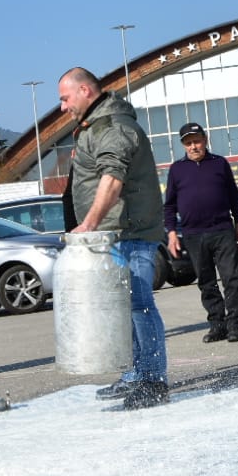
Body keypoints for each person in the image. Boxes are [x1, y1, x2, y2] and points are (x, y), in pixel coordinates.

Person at [61, 68, 171, 410]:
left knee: (138, 302)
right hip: (115, 233)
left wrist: (90, 223)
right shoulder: (96, 127)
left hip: (131, 231)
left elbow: (113, 178)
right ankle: (136, 372)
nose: (63, 107)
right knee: (124, 306)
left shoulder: (115, 127)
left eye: (65, 98)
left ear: (84, 91)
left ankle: (153, 378)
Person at [163, 121, 238, 343]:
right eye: (188, 143)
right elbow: (169, 205)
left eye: (196, 141)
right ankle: (217, 326)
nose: (193, 146)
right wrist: (171, 232)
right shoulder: (177, 170)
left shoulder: (220, 164)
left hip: (222, 231)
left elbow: (234, 196)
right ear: (183, 145)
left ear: (205, 140)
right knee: (206, 283)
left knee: (232, 279)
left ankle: (235, 326)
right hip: (193, 235)